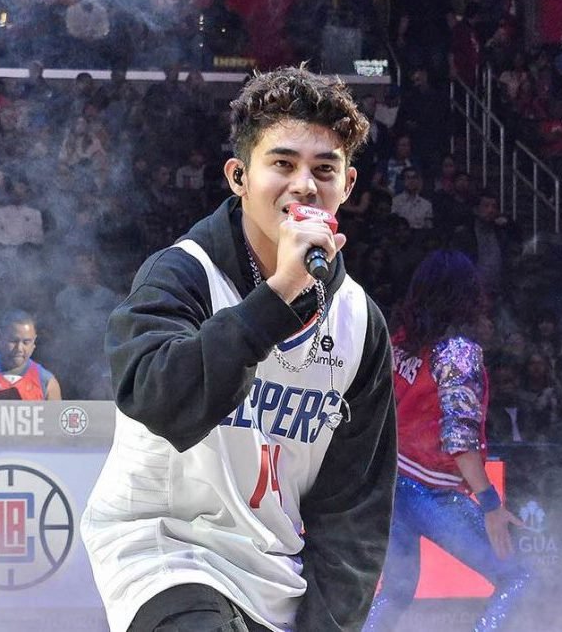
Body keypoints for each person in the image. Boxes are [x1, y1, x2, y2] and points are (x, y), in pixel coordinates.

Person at [82, 66, 397, 632]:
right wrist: (277, 299)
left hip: (276, 572)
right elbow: (154, 397)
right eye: (282, 164)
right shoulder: (183, 272)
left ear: (347, 187)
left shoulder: (360, 323)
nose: (305, 184)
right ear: (239, 177)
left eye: (324, 169)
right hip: (167, 547)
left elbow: (354, 511)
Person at [365, 250, 530, 632]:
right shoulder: (458, 352)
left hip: (388, 485)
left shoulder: (402, 341)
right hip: (430, 492)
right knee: (520, 577)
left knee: (397, 590)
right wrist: (490, 504)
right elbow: (459, 441)